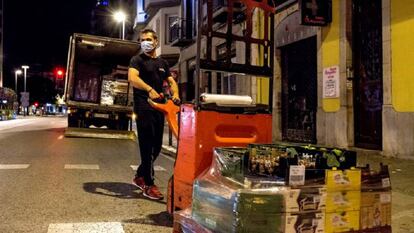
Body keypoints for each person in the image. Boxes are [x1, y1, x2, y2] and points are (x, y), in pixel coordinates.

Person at [128, 28, 180, 200]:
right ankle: (149, 184)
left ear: (156, 41)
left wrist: (176, 95)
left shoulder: (162, 63)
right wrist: (149, 89)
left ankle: (139, 176)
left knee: (156, 147)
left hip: (160, 107)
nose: (145, 42)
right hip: (144, 107)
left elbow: (171, 81)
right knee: (147, 146)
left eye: (149, 39)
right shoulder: (137, 60)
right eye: (142, 39)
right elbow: (132, 78)